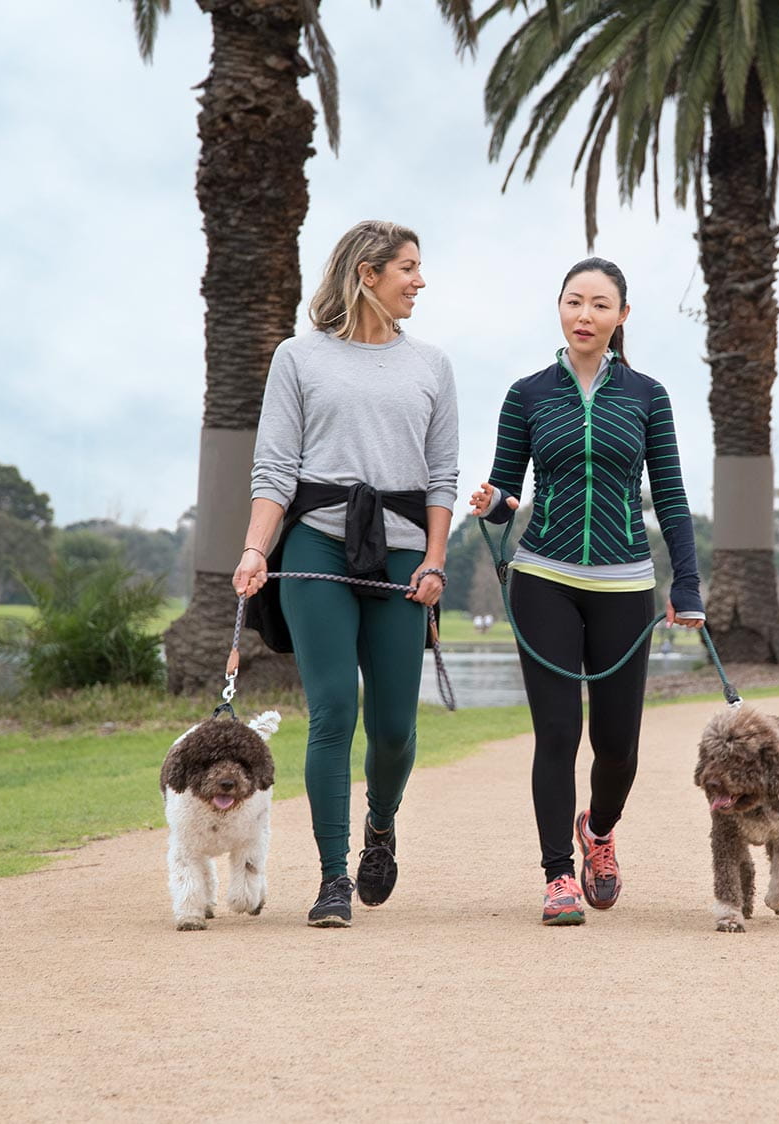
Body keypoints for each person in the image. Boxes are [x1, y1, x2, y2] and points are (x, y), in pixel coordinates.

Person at [231, 220, 457, 927]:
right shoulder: (299, 359)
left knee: (392, 727)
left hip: (399, 550)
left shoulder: (432, 366)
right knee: (333, 710)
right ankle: (332, 879)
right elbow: (274, 468)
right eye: (408, 268)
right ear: (367, 273)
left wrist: (435, 561)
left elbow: (442, 478)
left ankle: (380, 827)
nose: (420, 281)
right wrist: (255, 550)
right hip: (317, 546)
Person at [467, 257, 704, 926]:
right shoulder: (528, 393)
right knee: (557, 732)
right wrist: (492, 502)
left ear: (622, 317)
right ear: (560, 309)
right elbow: (506, 492)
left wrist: (686, 582)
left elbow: (674, 498)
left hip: (625, 584)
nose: (585, 315)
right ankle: (556, 875)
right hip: (543, 577)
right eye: (575, 302)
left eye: (600, 305)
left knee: (619, 744)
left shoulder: (649, 396)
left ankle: (597, 832)